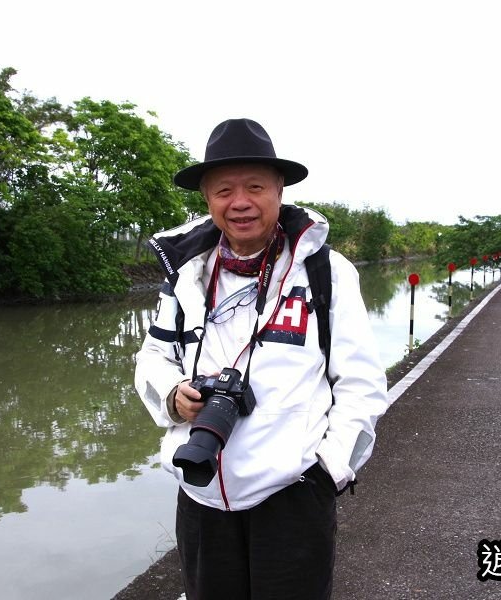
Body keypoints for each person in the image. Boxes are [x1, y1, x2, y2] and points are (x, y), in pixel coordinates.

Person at [135, 118, 389, 599]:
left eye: (255, 186)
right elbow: (152, 355)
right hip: (200, 488)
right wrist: (172, 395)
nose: (240, 202)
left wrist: (327, 471)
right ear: (207, 200)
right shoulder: (187, 275)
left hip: (292, 496)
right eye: (223, 190)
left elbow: (362, 384)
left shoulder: (325, 271)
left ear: (280, 190)